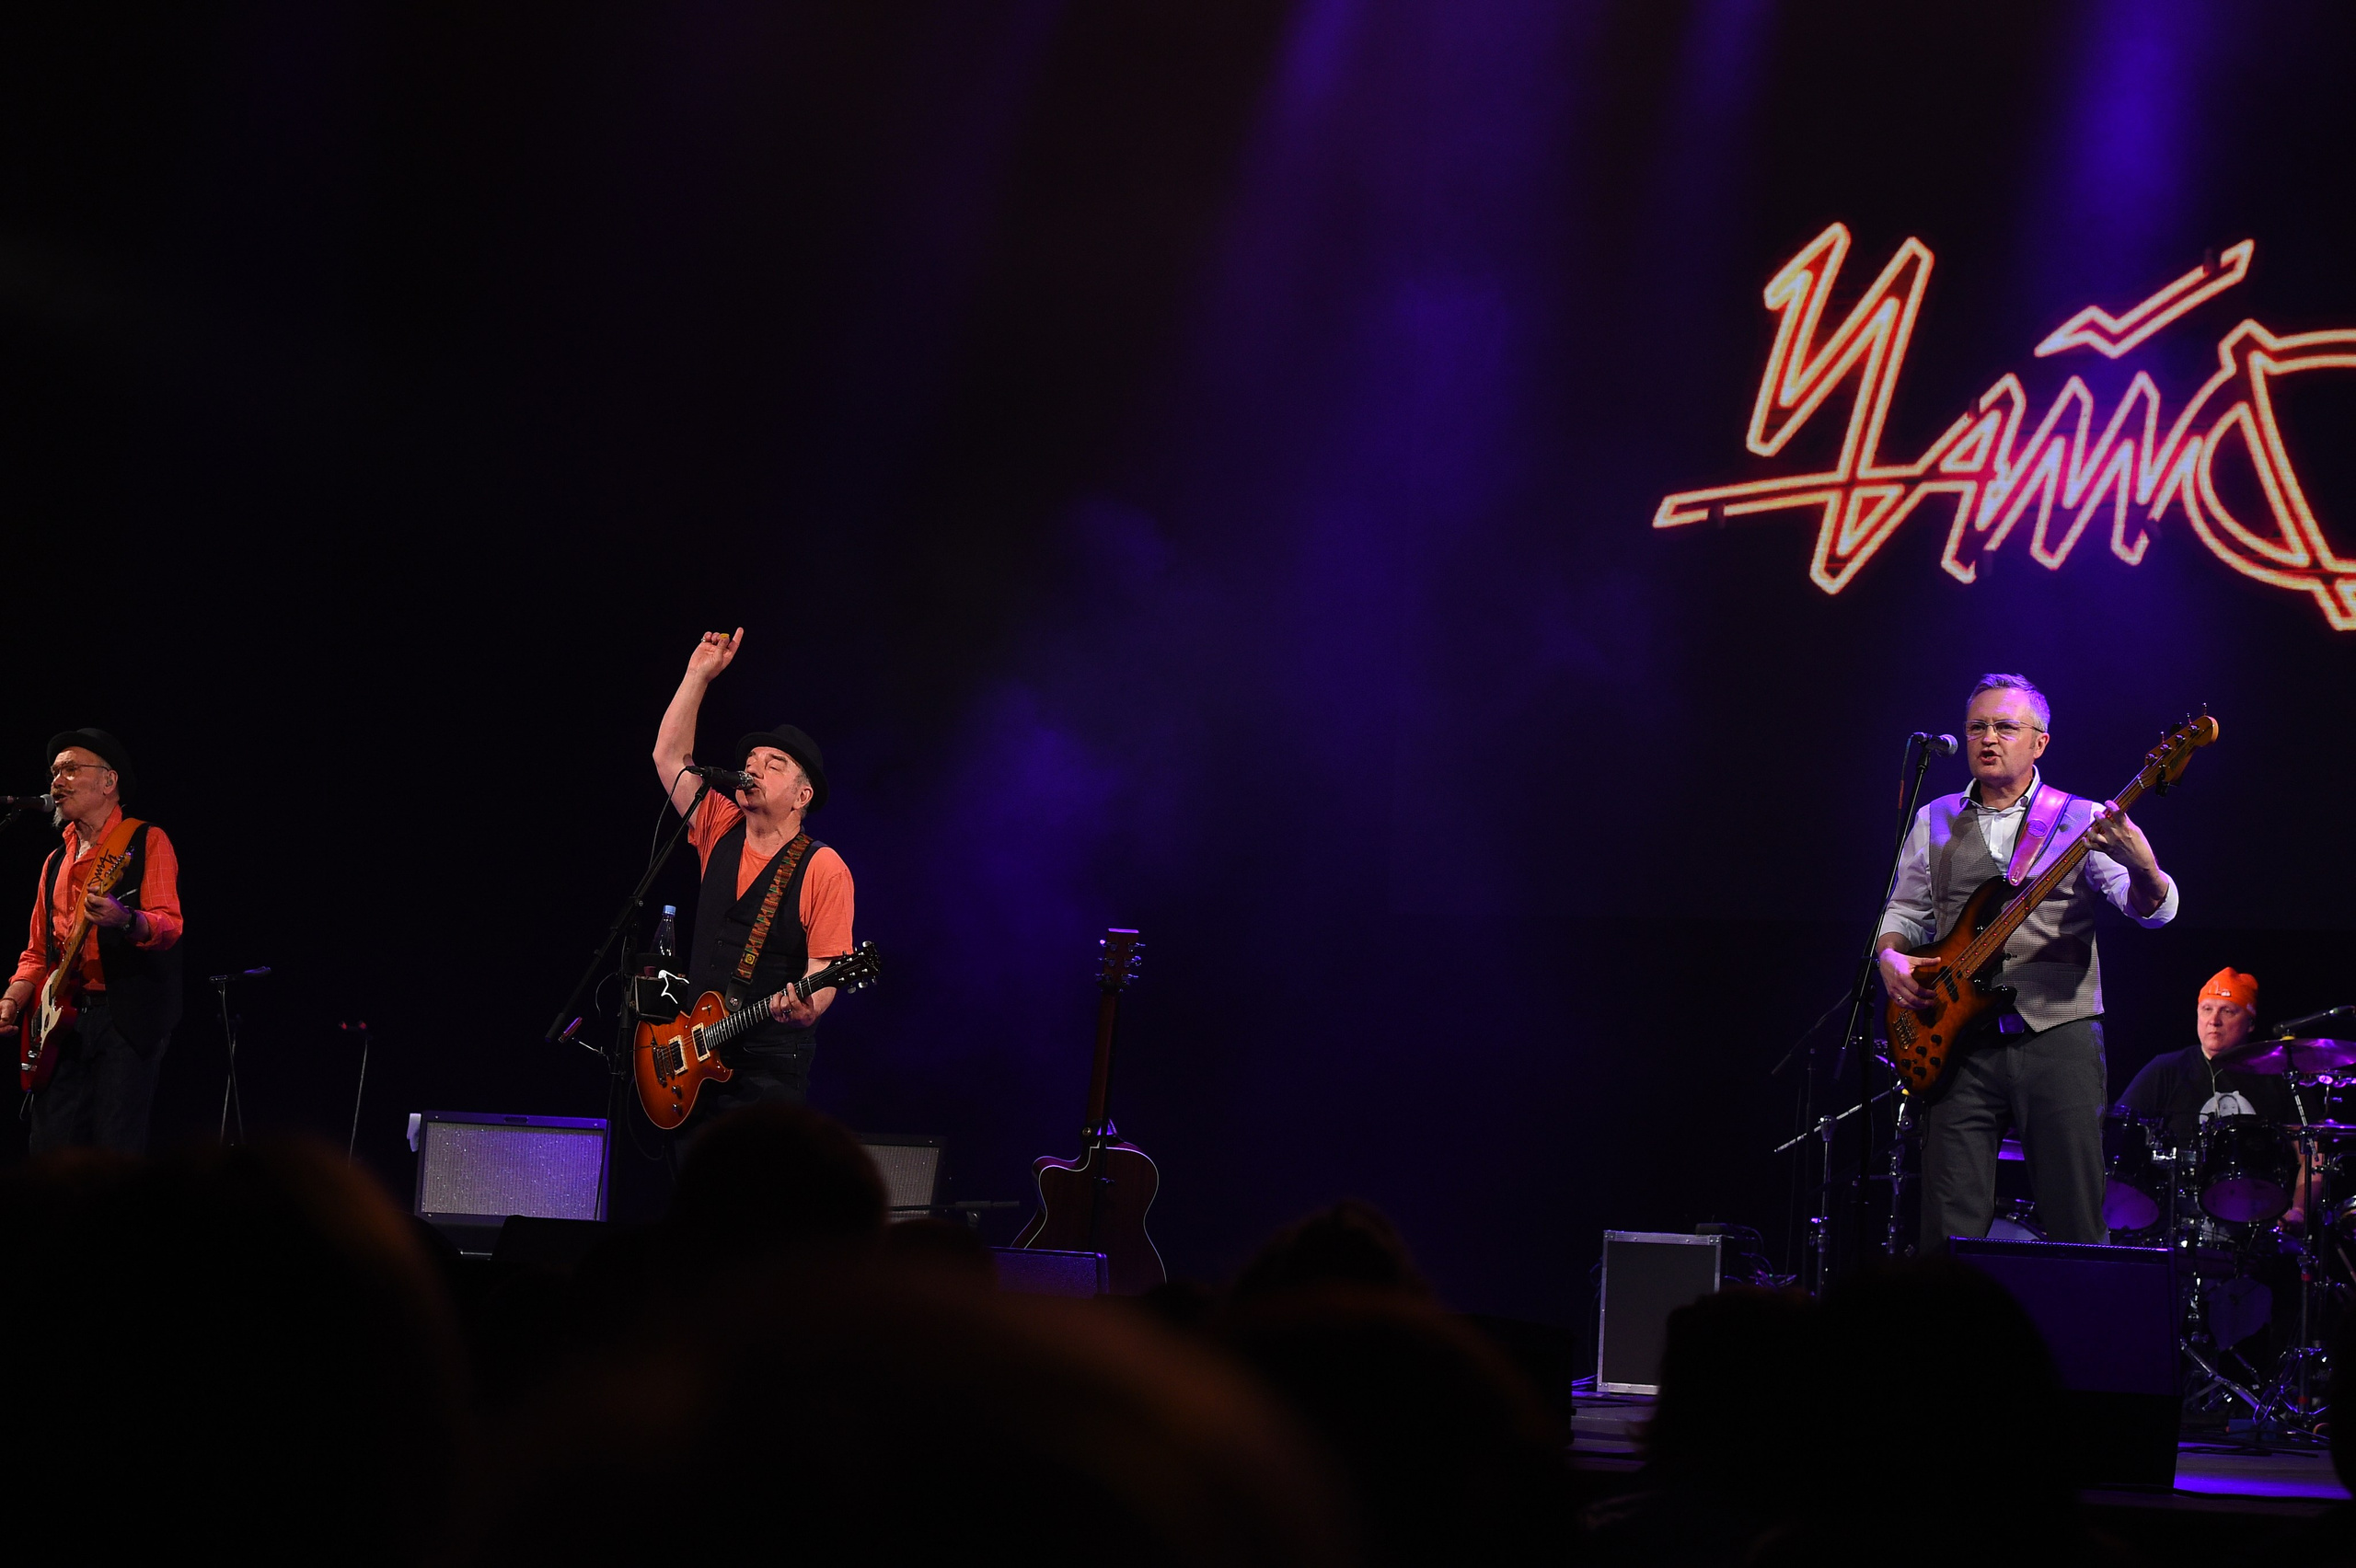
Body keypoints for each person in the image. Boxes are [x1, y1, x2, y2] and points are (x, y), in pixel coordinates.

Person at [1877, 674, 2177, 1249]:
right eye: (1977, 728)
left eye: (2005, 727)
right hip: (1954, 1042)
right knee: (1949, 1222)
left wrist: (2144, 865)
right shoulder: (1934, 817)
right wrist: (1890, 960)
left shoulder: (2083, 818)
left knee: (2075, 1218)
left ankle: (2081, 1334)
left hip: (2057, 1035)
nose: (1988, 738)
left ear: (2039, 742)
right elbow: (1903, 915)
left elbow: (2150, 911)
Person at [652, 628, 853, 1112]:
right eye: (751, 760)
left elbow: (825, 970)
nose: (754, 768)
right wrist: (697, 675)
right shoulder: (720, 826)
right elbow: (669, 759)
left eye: (775, 764)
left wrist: (809, 1008)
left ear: (803, 797)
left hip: (768, 1080)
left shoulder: (823, 868)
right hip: (694, 1065)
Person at [0, 729, 184, 1154]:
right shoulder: (55, 860)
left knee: (115, 1150)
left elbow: (169, 926)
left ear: (108, 781)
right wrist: (14, 998)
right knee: (51, 1151)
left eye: (69, 769)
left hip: (124, 1019)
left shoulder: (145, 841)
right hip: (61, 1024)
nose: (56, 781)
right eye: (54, 773)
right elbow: (37, 952)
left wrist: (126, 919)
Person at [2119, 966, 2309, 1223]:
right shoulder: (2166, 1069)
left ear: (2250, 1022)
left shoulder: (2278, 1074)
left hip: (2260, 1218)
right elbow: (2119, 1134)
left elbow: (2311, 1150)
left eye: (2227, 1011)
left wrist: (2299, 1210)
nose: (2214, 1020)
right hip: (2175, 1220)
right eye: (2206, 1009)